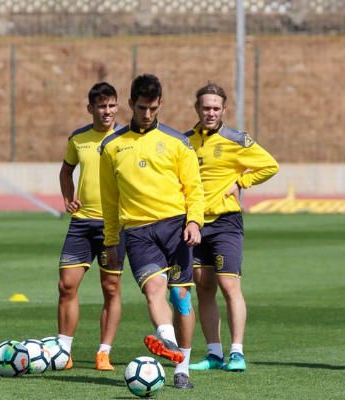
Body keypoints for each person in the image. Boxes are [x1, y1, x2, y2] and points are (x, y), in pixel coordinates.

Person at [99, 74, 204, 389]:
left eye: (153, 108)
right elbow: (109, 199)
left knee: (181, 297)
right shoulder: (111, 146)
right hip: (138, 231)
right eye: (142, 107)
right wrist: (111, 240)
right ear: (131, 104)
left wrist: (194, 221)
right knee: (154, 288)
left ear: (160, 105)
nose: (147, 114)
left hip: (176, 227)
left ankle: (182, 368)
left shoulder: (177, 142)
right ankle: (168, 342)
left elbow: (194, 188)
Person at [184, 82, 279, 373]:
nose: (210, 112)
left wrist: (241, 182)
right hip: (195, 223)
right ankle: (213, 352)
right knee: (203, 287)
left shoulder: (237, 139)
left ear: (224, 110)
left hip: (225, 223)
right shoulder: (185, 141)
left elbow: (270, 165)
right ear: (197, 108)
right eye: (205, 107)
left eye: (215, 108)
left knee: (229, 285)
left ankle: (236, 352)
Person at [56, 82, 125, 371]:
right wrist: (68, 198)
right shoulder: (79, 138)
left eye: (111, 106)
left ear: (117, 107)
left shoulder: (126, 138)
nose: (107, 111)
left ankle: (103, 352)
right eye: (101, 106)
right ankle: (63, 352)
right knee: (66, 285)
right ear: (90, 109)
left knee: (110, 287)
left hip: (114, 227)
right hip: (82, 224)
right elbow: (66, 170)